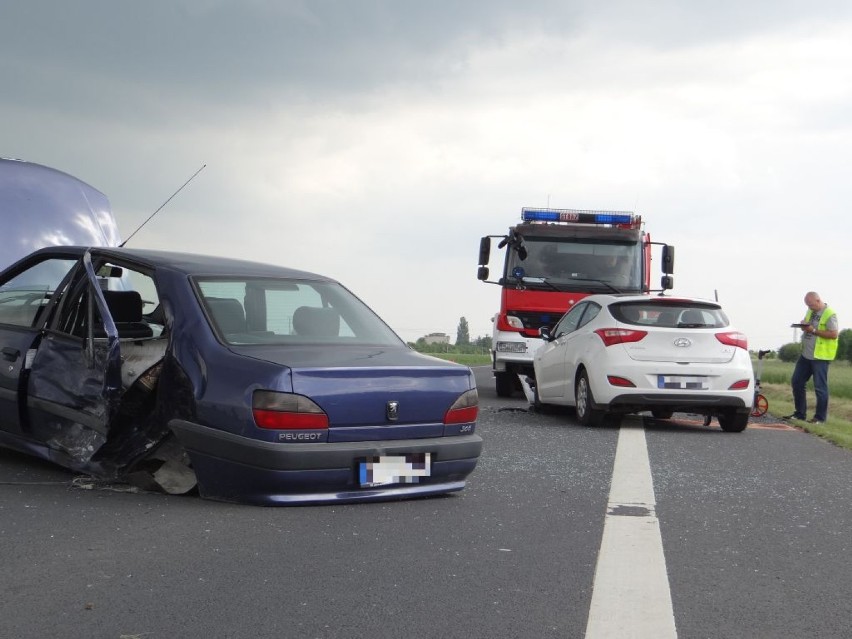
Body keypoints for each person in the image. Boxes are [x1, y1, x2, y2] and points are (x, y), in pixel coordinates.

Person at [784, 291, 839, 424]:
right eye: (807, 305)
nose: (809, 307)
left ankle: (819, 418)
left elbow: (834, 334)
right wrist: (804, 325)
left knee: (820, 388)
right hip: (806, 355)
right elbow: (809, 326)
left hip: (820, 356)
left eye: (811, 305)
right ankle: (799, 414)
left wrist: (813, 330)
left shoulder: (829, 314)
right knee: (797, 382)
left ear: (818, 301)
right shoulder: (810, 311)